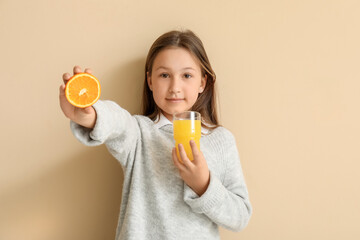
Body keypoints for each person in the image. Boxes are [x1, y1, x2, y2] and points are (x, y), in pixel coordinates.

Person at [59, 29, 252, 240]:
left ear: (202, 83)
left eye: (187, 75)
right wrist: (91, 114)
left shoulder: (221, 140)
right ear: (150, 81)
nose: (175, 87)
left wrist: (203, 184)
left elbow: (240, 217)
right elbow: (117, 122)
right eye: (164, 75)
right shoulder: (139, 132)